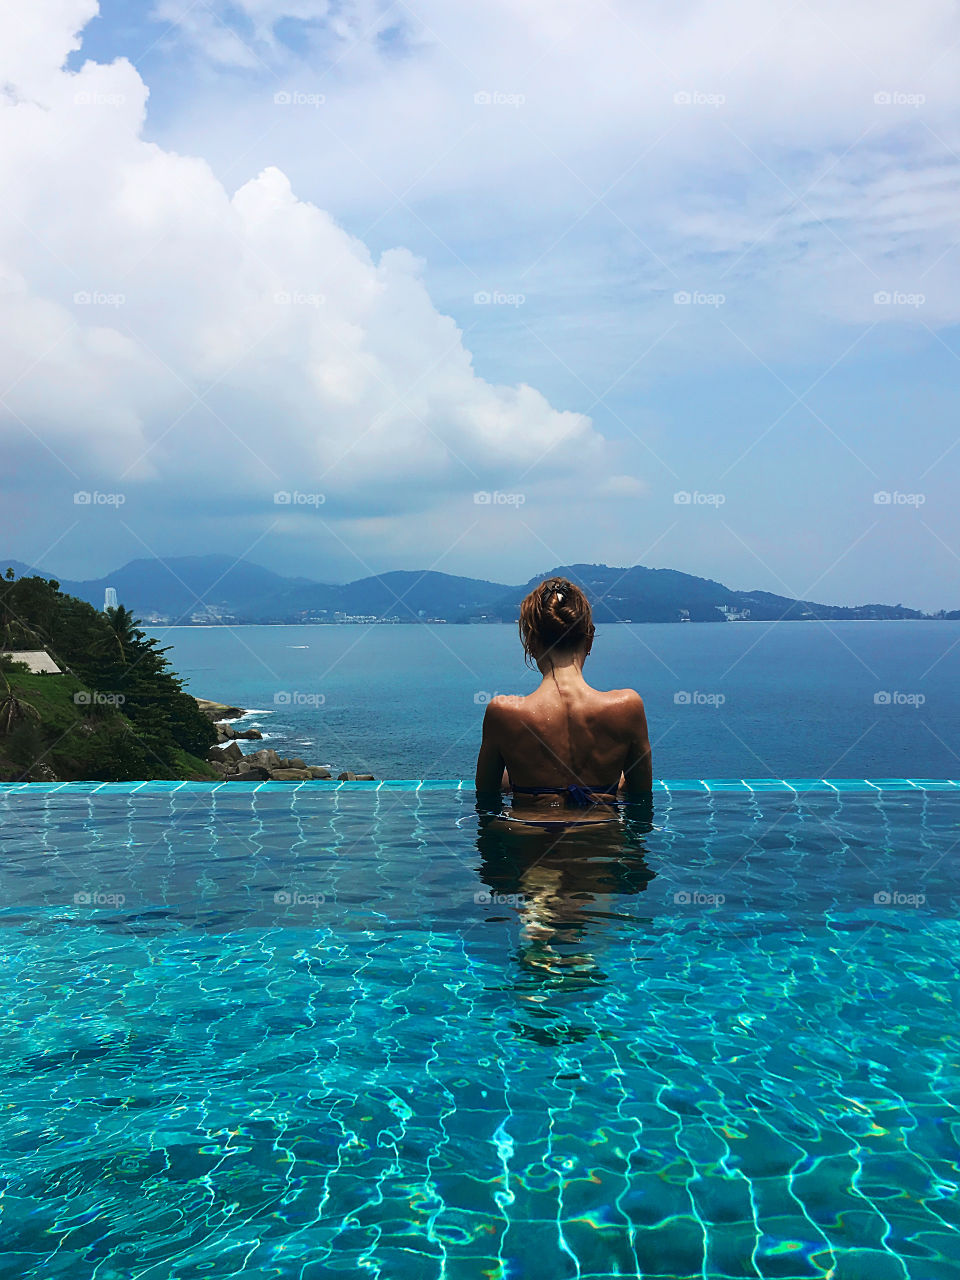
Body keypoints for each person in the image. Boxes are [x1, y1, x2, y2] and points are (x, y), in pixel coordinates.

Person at [475, 576, 652, 827]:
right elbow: (642, 797)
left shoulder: (503, 712)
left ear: (531, 644)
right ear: (589, 640)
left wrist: (530, 784)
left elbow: (486, 800)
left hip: (528, 849)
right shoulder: (628, 707)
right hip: (602, 847)